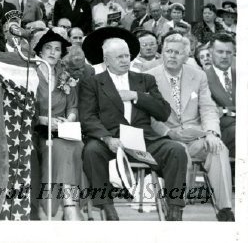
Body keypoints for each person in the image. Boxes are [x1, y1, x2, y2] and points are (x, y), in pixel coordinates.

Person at [79, 27, 189, 221]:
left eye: (127, 56)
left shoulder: (145, 80)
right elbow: (88, 117)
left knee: (176, 150)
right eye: (119, 57)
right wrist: (106, 138)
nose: (125, 61)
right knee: (91, 150)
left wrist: (137, 96)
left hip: (144, 140)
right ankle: (107, 208)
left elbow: (163, 112)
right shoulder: (92, 83)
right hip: (111, 141)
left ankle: (175, 210)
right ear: (106, 60)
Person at [147, 33, 234, 221]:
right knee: (178, 152)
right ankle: (176, 206)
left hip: (195, 137)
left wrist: (212, 133)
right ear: (162, 53)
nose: (172, 56)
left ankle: (225, 209)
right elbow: (148, 115)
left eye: (177, 53)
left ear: (186, 56)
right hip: (166, 138)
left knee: (218, 149)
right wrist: (167, 132)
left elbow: (208, 108)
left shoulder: (198, 75)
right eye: (168, 51)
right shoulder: (149, 77)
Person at [30, 29, 84, 220]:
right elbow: (26, 110)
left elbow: (73, 106)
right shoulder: (31, 75)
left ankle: (69, 205)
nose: (53, 53)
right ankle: (70, 206)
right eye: (48, 48)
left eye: (57, 49)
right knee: (60, 148)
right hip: (37, 131)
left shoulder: (65, 75)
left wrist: (69, 118)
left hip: (63, 130)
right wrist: (44, 120)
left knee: (75, 145)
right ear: (40, 52)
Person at [204, 33, 236, 158]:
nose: (224, 56)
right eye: (220, 52)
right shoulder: (202, 77)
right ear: (210, 53)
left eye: (229, 52)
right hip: (220, 132)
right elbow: (208, 110)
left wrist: (226, 110)